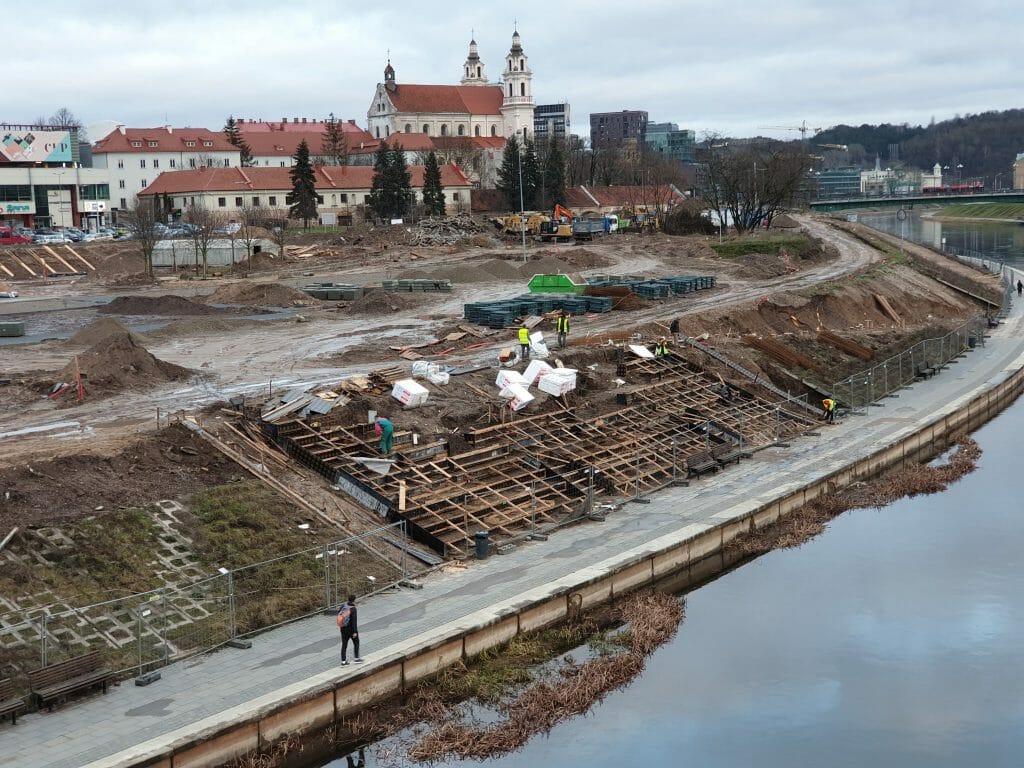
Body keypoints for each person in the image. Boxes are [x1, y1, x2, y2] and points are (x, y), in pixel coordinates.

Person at [338, 594, 362, 666]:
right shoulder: (353, 609)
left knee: (344, 645)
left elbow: (339, 615)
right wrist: (355, 632)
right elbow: (354, 621)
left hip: (343, 629)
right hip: (351, 630)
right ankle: (357, 658)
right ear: (354, 600)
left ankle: (343, 661)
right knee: (356, 642)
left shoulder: (343, 606)